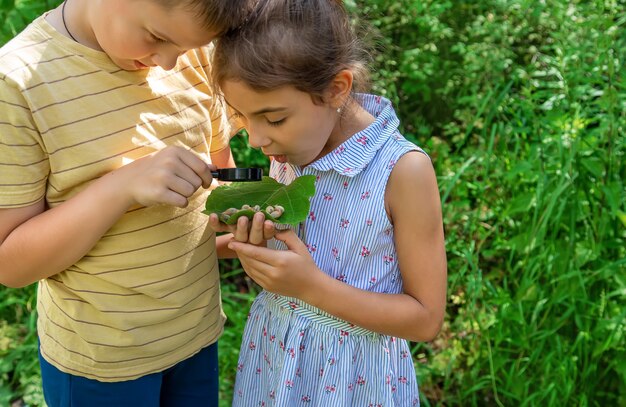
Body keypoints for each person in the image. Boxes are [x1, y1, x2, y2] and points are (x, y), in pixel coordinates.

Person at [0, 0, 253, 405]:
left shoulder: (194, 54)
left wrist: (240, 218)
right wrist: (119, 188)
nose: (169, 63)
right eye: (157, 38)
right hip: (101, 364)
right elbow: (10, 264)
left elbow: (219, 173)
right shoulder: (17, 84)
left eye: (186, 48)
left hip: (196, 336)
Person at [208, 0, 448, 405]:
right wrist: (247, 242)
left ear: (337, 88)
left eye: (274, 118)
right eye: (244, 118)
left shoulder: (402, 171)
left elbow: (426, 319)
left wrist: (310, 287)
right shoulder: (292, 150)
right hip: (276, 361)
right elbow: (295, 248)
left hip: (354, 379)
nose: (255, 140)